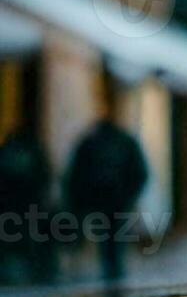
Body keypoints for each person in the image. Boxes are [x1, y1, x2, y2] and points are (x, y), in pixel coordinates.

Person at [64, 104, 147, 285]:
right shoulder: (124, 142)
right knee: (114, 236)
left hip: (103, 200)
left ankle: (111, 269)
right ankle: (114, 269)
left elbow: (76, 174)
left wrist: (80, 199)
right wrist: (130, 195)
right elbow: (140, 172)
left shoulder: (92, 143)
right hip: (116, 200)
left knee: (107, 236)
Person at [0, 119, 53, 285]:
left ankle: (27, 272)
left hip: (21, 205)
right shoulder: (30, 150)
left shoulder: (13, 151)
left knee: (21, 239)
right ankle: (25, 272)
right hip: (22, 204)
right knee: (22, 240)